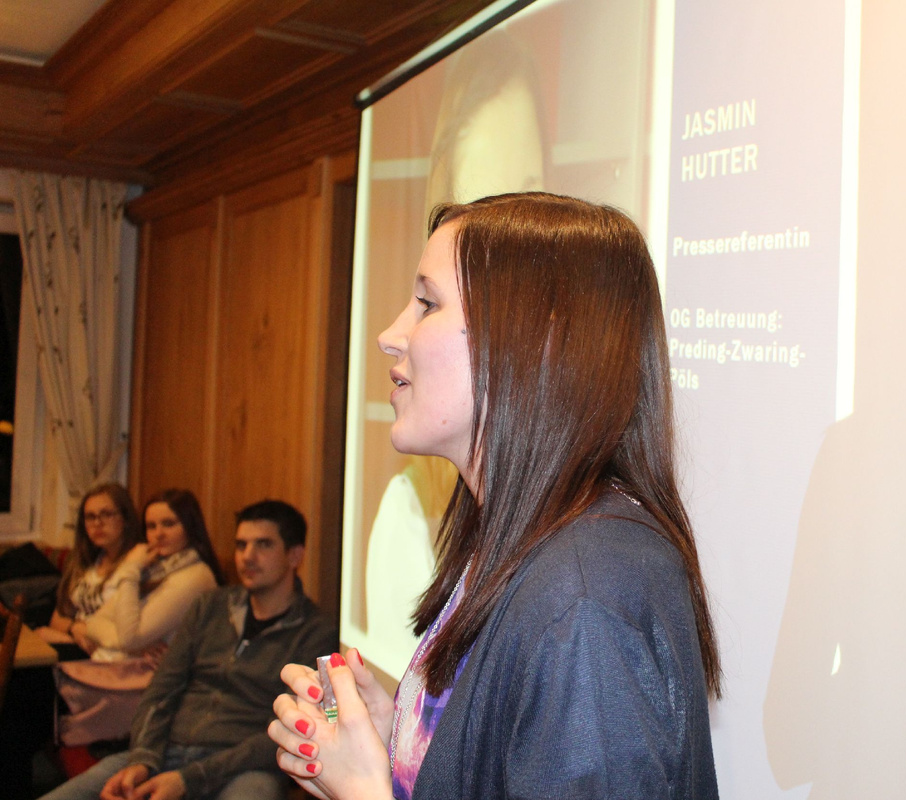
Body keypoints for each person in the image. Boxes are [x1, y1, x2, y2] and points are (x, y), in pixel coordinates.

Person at [269, 192, 721, 800]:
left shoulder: (585, 592)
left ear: (537, 340)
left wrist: (365, 794)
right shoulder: (531, 541)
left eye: (428, 304)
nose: (389, 335)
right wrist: (405, 751)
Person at [38, 499, 337, 800]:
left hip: (244, 768)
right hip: (166, 753)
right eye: (241, 545)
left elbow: (294, 728)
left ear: (294, 555)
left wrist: (190, 779)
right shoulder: (209, 606)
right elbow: (161, 691)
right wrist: (143, 759)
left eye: (263, 544)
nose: (247, 556)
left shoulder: (318, 632)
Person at [54, 489, 224, 745]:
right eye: (151, 526)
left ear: (190, 527)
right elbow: (96, 622)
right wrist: (130, 643)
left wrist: (130, 570)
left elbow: (129, 637)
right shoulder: (157, 569)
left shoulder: (194, 577)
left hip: (149, 688)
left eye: (169, 524)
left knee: (33, 690)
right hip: (119, 669)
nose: (159, 534)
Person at [39, 483, 142, 660]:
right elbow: (58, 618)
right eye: (90, 517)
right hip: (78, 644)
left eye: (106, 514)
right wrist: (74, 628)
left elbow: (131, 630)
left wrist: (85, 632)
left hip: (112, 653)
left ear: (125, 518)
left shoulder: (136, 563)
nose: (97, 523)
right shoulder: (85, 561)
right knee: (37, 638)